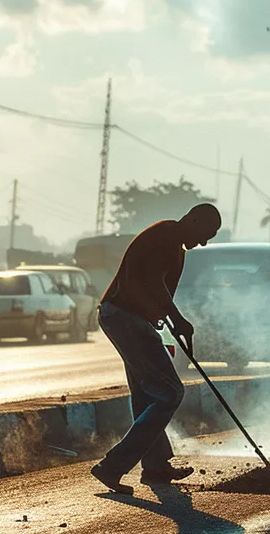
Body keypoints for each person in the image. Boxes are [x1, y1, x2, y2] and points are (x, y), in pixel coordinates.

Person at [89, 203, 222, 494]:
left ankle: (156, 465)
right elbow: (151, 283)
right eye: (205, 233)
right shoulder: (164, 236)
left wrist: (164, 318)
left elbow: (155, 291)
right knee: (171, 392)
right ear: (192, 219)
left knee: (147, 394)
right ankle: (113, 466)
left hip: (130, 318)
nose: (203, 242)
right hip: (124, 317)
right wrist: (178, 319)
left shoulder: (176, 246)